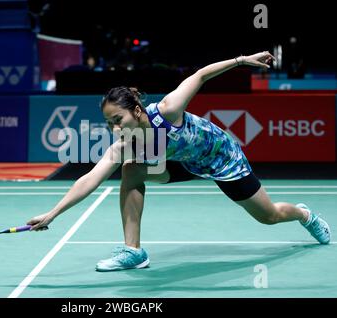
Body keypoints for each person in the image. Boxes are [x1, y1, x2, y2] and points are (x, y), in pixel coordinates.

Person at [26, 51, 331, 272]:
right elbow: (89, 179)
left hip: (223, 159)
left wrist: (240, 61)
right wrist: (53, 214)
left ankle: (305, 215)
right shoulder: (125, 143)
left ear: (135, 110)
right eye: (109, 124)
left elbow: (200, 74)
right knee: (131, 170)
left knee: (269, 216)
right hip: (184, 164)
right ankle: (133, 252)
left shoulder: (168, 110)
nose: (115, 128)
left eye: (118, 119)